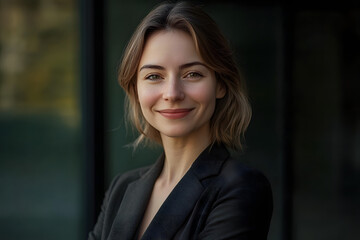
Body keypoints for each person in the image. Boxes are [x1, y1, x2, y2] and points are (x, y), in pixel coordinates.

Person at [88, 1, 273, 239]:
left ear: (221, 85)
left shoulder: (241, 188)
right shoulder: (121, 189)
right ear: (136, 89)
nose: (172, 93)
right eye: (154, 76)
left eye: (192, 74)